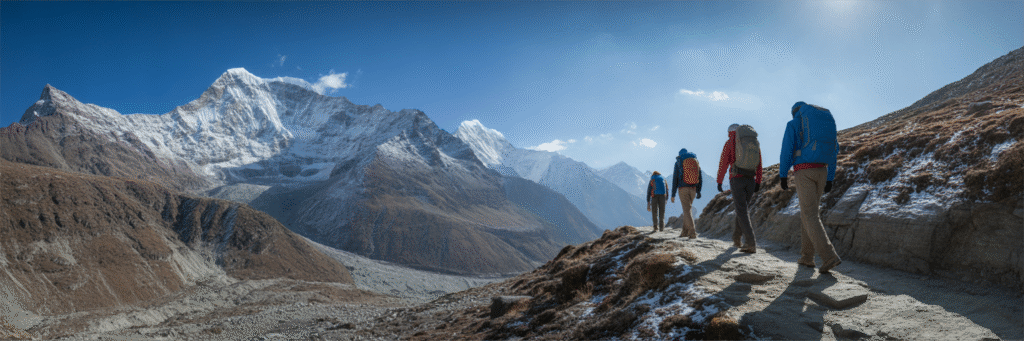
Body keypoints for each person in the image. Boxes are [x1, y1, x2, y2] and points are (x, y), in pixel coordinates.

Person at [780, 101, 842, 274]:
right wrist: (830, 178)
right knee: (809, 214)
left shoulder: (793, 124)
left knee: (809, 214)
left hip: (804, 171)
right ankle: (807, 257)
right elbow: (834, 150)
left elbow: (787, 150)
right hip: (822, 171)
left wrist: (783, 174)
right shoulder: (821, 124)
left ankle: (829, 256)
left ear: (794, 112)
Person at [716, 124, 763, 253]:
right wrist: (758, 181)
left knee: (741, 210)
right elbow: (759, 163)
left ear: (730, 132)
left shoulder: (730, 142)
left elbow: (723, 163)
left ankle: (750, 243)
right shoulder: (753, 142)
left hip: (737, 179)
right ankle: (737, 239)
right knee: (742, 209)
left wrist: (719, 181)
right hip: (751, 180)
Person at [671, 148, 702, 239]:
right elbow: (700, 177)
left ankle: (692, 232)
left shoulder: (678, 162)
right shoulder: (695, 161)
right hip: (693, 189)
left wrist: (673, 194)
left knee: (687, 211)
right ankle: (684, 232)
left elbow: (675, 179)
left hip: (683, 189)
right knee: (687, 210)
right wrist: (698, 191)